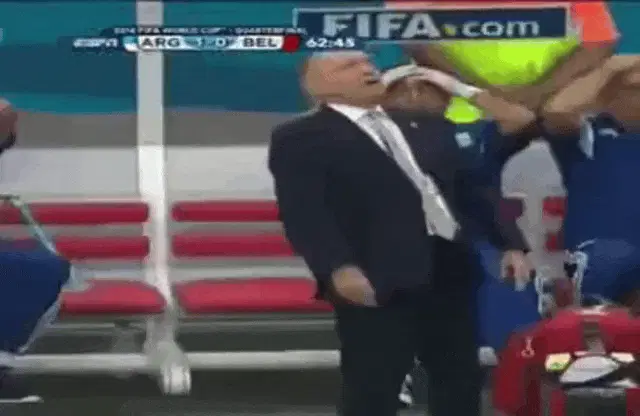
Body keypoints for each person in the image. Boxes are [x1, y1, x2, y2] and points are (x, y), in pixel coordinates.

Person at [268, 51, 532, 416]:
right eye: (350, 66)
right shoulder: (302, 136)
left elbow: (469, 189)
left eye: (367, 62)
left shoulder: (420, 125)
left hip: (448, 266)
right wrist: (337, 268)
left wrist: (509, 244)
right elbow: (305, 212)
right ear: (315, 85)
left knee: (459, 379)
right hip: (378, 273)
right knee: (374, 385)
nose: (368, 69)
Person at [390, 1, 618, 124]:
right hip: (463, 104)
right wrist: (486, 96)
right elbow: (414, 39)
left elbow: (599, 42)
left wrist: (536, 93)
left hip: (557, 102)